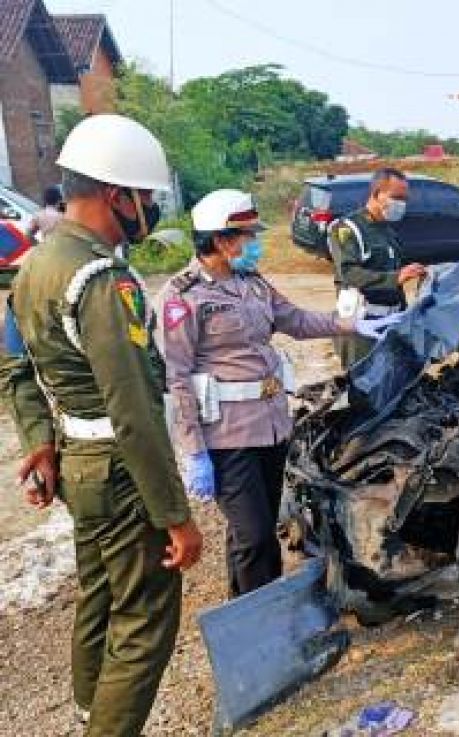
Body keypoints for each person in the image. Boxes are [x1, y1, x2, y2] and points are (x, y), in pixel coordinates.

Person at [0, 113, 203, 737]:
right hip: (118, 469)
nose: (147, 211)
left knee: (98, 598)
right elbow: (135, 413)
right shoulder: (99, 278)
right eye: (144, 198)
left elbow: (15, 365)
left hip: (79, 467)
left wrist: (39, 439)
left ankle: (91, 714)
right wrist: (176, 516)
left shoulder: (34, 265)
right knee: (144, 620)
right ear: (118, 197)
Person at [158, 189, 378, 598]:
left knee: (252, 534)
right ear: (222, 241)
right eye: (247, 236)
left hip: (271, 426)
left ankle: (245, 609)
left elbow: (293, 319)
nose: (255, 244)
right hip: (227, 437)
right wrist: (193, 451)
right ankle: (263, 621)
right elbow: (177, 376)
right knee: (256, 535)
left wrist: (347, 325)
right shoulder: (181, 296)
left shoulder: (252, 283)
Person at [329, 167, 426, 370]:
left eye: (405, 198)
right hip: (362, 326)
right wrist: (395, 278)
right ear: (376, 194)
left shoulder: (388, 231)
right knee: (364, 386)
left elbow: (396, 276)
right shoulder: (348, 229)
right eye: (396, 197)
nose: (402, 204)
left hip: (391, 322)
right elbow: (349, 274)